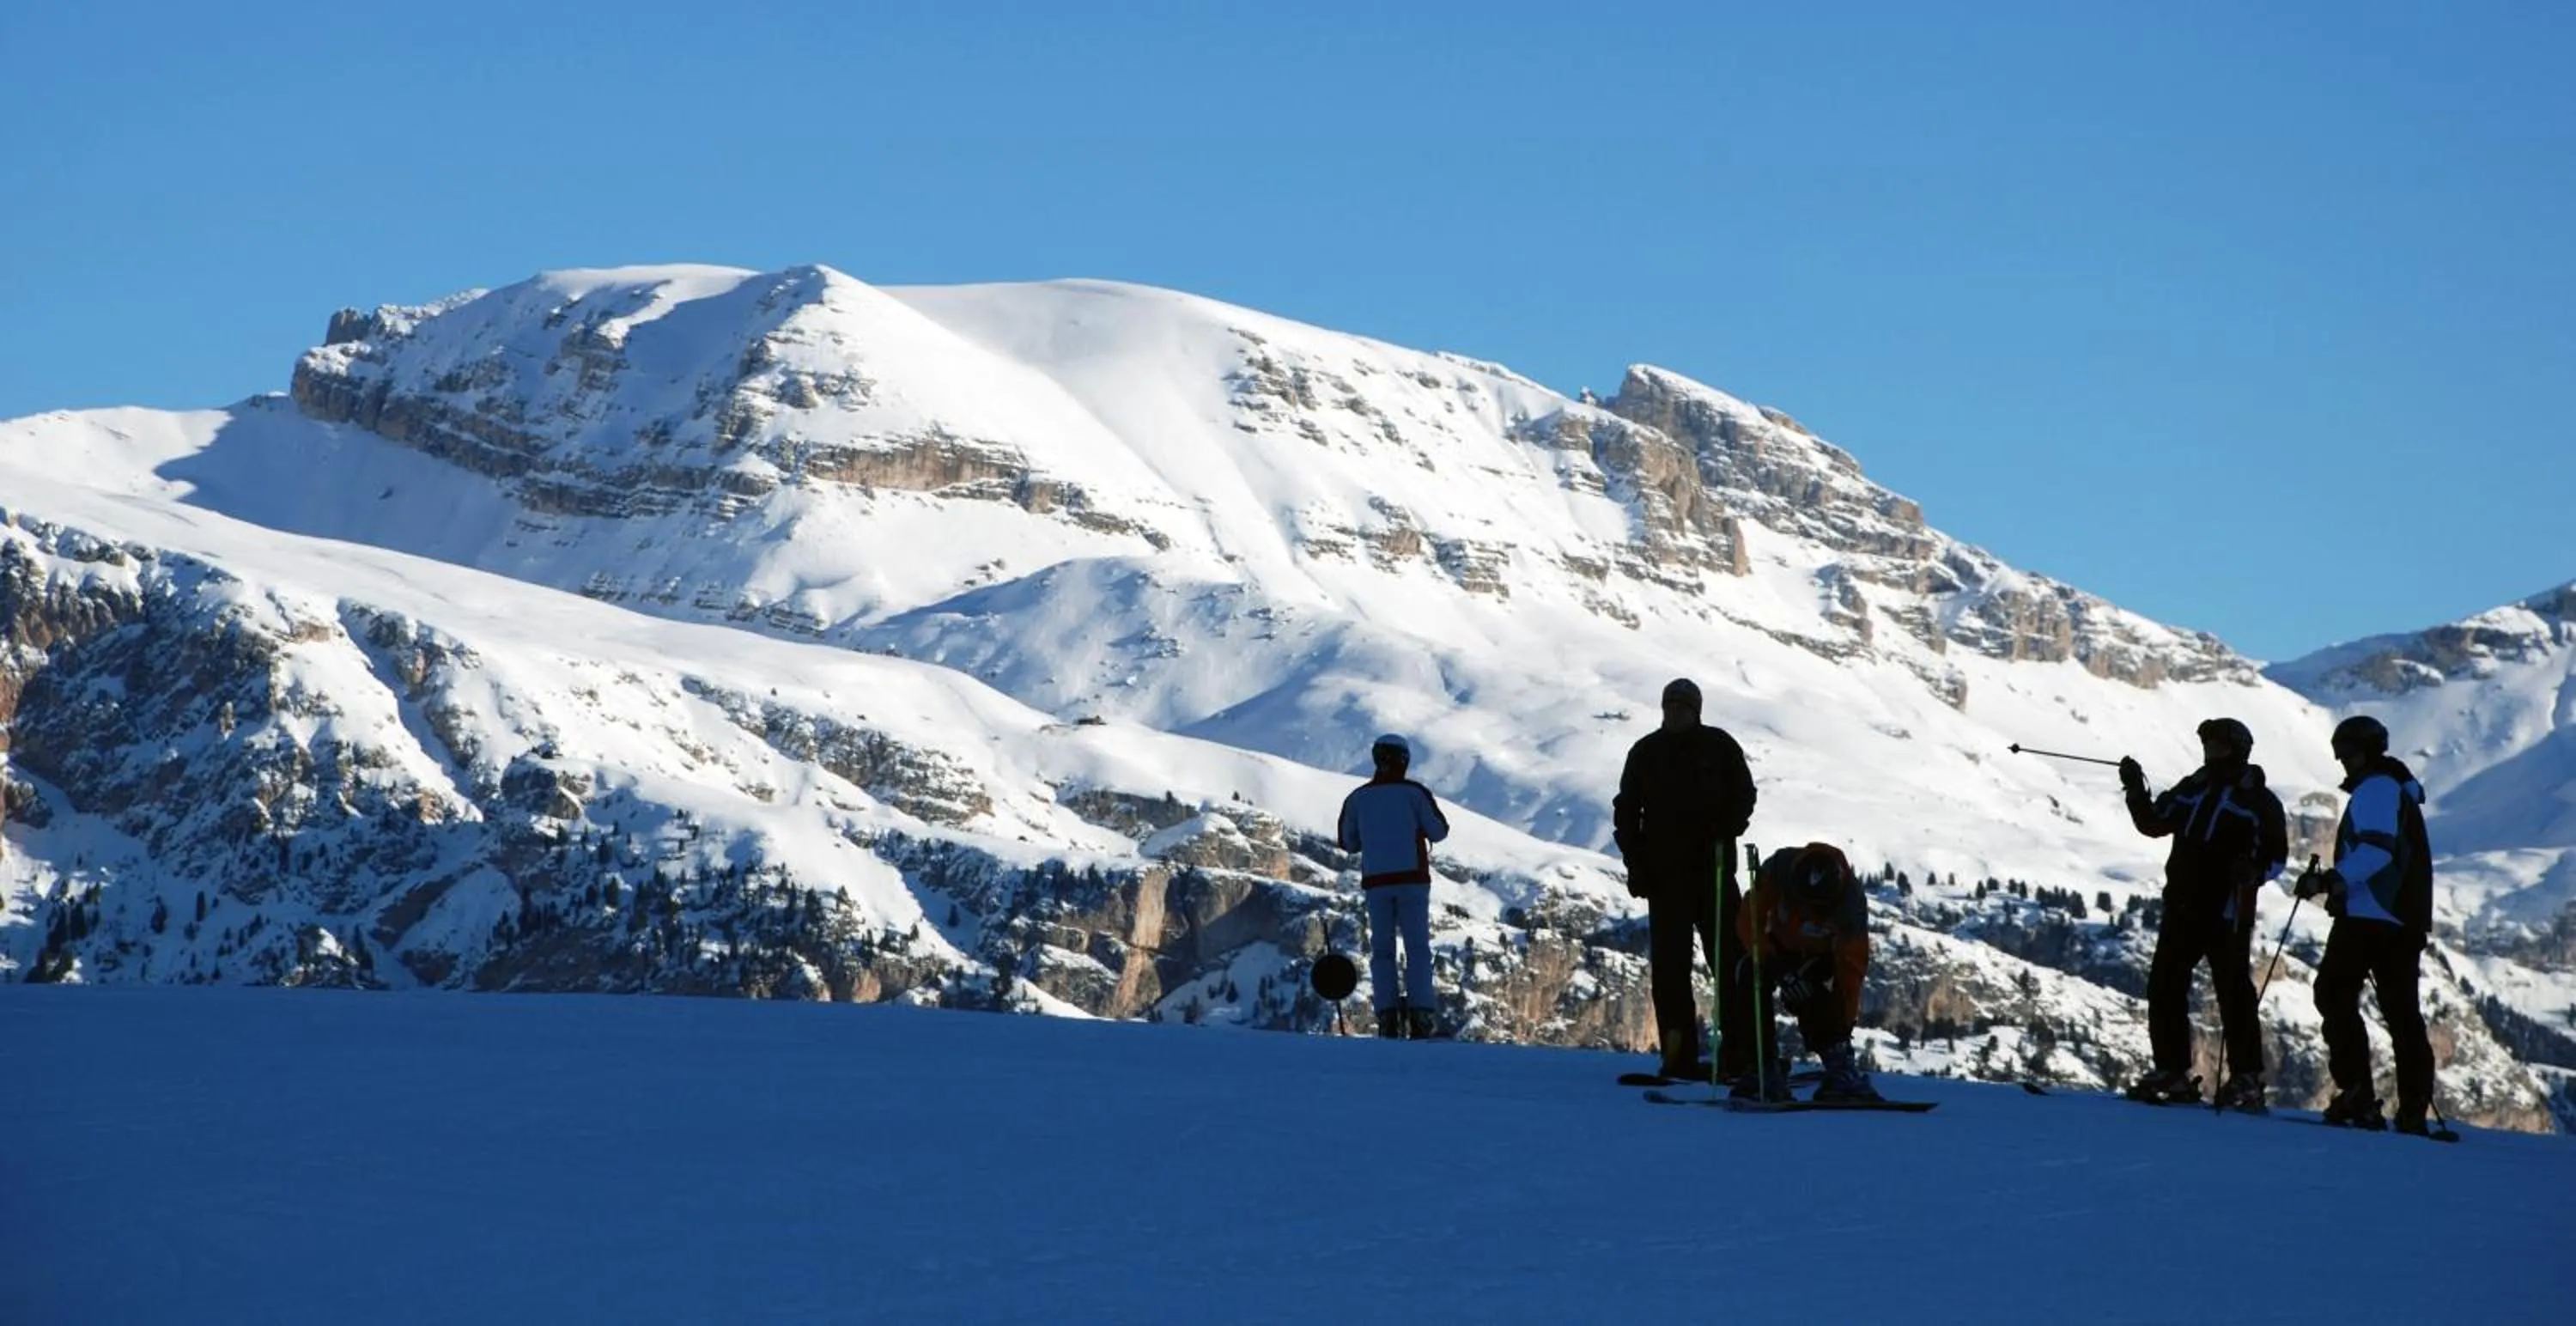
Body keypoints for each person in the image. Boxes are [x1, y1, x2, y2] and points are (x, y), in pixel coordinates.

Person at [2117, 717, 2288, 1109]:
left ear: (2238, 751)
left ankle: (2247, 1077)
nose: (2211, 754)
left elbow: (2277, 857)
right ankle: (2172, 1071)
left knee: (2233, 993)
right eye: (2208, 747)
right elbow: (2154, 824)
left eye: (2218, 748)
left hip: (2227, 909)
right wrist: (2134, 789)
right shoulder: (2194, 787)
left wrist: (2254, 871)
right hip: (2182, 903)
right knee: (2164, 985)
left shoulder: (2258, 801)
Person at [2295, 715, 2437, 1134]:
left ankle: (2357, 1093)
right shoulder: (2394, 788)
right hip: (2399, 919)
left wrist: (2328, 881)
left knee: (2334, 994)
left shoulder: (2376, 789)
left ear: (2364, 752)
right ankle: (2412, 1109)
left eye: (2348, 754)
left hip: (2371, 915)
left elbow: (2377, 852)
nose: (2343, 762)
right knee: (2402, 1013)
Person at [1611, 678, 1757, 1080]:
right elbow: (1626, 813)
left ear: (1696, 710)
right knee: (1670, 973)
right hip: (1666, 879)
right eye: (1670, 706)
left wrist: (1728, 827)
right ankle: (1678, 1056)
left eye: (1682, 706)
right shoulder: (1645, 752)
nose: (1674, 712)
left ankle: (1742, 1053)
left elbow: (1745, 794)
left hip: (1714, 874)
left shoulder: (1719, 746)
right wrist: (1637, 862)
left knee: (1730, 965)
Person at [1736, 842, 1879, 1102]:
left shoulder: (1851, 904)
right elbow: (1749, 919)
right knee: (1749, 973)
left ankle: (1838, 1066)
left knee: (1811, 993)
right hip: (1777, 947)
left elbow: (1851, 972)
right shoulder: (1778, 869)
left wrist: (1842, 1027)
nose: (1811, 914)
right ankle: (1761, 1066)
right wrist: (1772, 962)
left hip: (1820, 956)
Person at [1336, 733, 1451, 1038]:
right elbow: (1439, 832)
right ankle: (1421, 1015)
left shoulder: (1358, 798)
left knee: (1382, 950)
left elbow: (1348, 842)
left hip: (1376, 882)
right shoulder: (1414, 793)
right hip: (1413, 879)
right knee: (1417, 948)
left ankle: (1387, 1016)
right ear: (1404, 760)